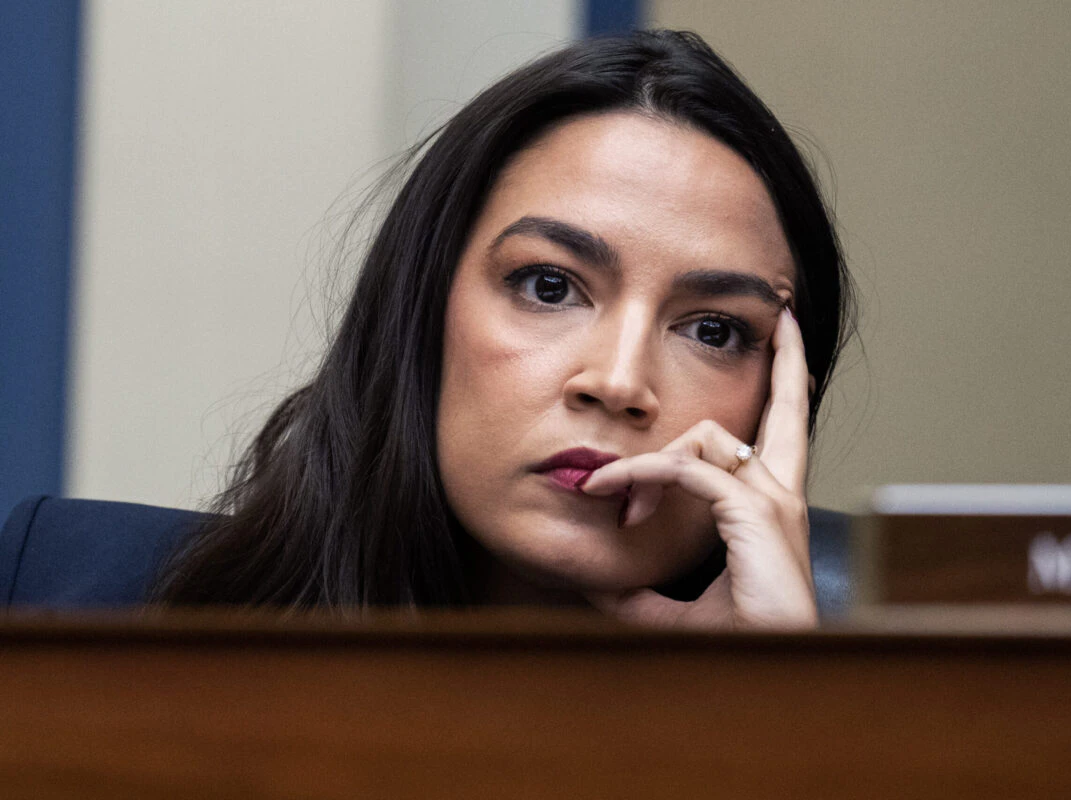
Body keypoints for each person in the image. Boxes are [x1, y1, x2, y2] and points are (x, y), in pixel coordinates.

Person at [148, 29, 857, 629]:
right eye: (549, 286)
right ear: (423, 309)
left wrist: (766, 701)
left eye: (712, 330)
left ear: (777, 406)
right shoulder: (81, 600)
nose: (617, 383)